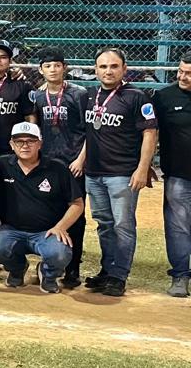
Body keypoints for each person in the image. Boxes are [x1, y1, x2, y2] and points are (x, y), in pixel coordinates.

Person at [72, 48, 158, 297]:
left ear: (124, 68)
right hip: (94, 172)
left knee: (123, 225)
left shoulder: (136, 97)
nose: (108, 71)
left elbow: (150, 134)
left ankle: (119, 275)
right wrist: (81, 159)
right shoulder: (90, 96)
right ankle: (107, 271)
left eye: (113, 66)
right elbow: (92, 133)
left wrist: (142, 169)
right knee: (104, 224)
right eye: (103, 67)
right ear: (95, 69)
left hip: (121, 172)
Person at [0, 122, 84, 294]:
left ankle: (47, 273)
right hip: (12, 230)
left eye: (31, 141)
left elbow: (77, 204)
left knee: (60, 253)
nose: (25, 145)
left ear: (40, 143)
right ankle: (17, 268)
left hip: (47, 232)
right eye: (19, 141)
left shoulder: (57, 168)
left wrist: (60, 227)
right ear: (11, 144)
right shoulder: (1, 165)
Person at [30, 48, 89, 288]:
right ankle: (50, 263)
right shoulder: (37, 96)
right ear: (41, 70)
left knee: (77, 215)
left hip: (74, 164)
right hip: (48, 164)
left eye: (57, 65)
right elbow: (34, 129)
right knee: (49, 211)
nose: (53, 69)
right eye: (48, 66)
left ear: (65, 68)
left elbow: (90, 131)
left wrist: (81, 160)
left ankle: (73, 267)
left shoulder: (79, 94)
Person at [153, 53, 191, 298]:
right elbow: (151, 133)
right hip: (178, 173)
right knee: (178, 227)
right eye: (181, 71)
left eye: (189, 73)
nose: (183, 77)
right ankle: (180, 275)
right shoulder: (164, 97)